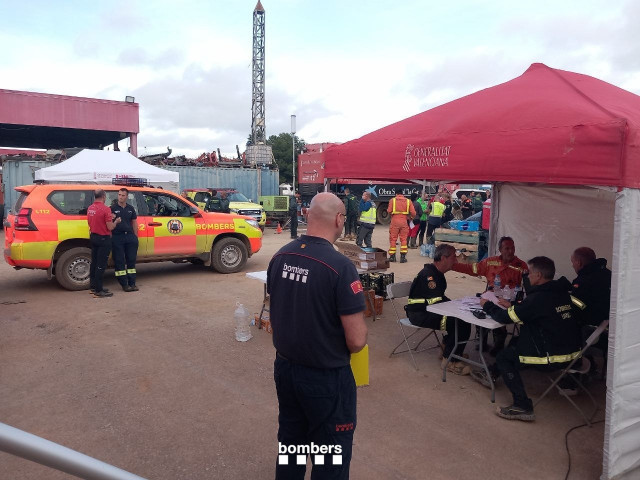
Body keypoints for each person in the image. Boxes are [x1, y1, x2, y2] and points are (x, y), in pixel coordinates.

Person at [267, 192, 368, 479]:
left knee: (292, 445)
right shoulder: (340, 267)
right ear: (339, 220)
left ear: (308, 216)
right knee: (329, 458)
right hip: (326, 379)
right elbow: (357, 340)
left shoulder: (281, 255)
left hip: (286, 369)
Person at [474, 256, 583, 422]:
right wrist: (515, 307)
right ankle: (491, 374)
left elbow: (504, 319)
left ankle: (522, 405)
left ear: (538, 275)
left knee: (504, 357)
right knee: (517, 341)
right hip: (573, 353)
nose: (528, 276)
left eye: (530, 273)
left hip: (553, 357)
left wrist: (486, 304)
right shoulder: (563, 293)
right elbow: (545, 315)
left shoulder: (537, 299)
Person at [452, 236, 528, 355]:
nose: (510, 251)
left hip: (508, 301)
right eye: (507, 248)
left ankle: (499, 343)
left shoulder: (521, 266)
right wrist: (453, 266)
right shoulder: (490, 261)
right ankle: (482, 340)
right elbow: (472, 268)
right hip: (490, 296)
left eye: (512, 248)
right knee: (478, 311)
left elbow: (528, 286)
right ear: (500, 249)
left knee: (499, 314)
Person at [406, 244, 472, 375]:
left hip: (428, 310)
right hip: (419, 314)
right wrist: (456, 308)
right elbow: (436, 302)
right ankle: (450, 361)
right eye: (453, 257)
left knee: (461, 317)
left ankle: (449, 350)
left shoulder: (436, 273)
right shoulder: (429, 276)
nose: (456, 261)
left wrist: (457, 304)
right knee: (460, 321)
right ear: (443, 258)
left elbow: (439, 299)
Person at [87, 189, 120, 298]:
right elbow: (110, 227)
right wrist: (116, 221)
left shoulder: (90, 208)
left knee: (94, 263)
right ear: (104, 196)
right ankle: (99, 290)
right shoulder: (106, 209)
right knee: (101, 265)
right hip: (103, 239)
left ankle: (93, 286)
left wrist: (109, 218)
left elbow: (92, 222)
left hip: (94, 237)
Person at [110, 188, 139, 292]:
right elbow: (108, 223)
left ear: (127, 197)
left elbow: (134, 222)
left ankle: (132, 283)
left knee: (131, 260)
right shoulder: (112, 208)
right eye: (119, 195)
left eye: (123, 195)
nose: (120, 197)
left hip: (130, 237)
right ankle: (124, 284)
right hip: (117, 237)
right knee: (119, 261)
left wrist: (135, 236)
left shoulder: (130, 208)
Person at [387, 192, 415, 263]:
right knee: (403, 239)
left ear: (396, 194)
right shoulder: (408, 201)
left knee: (393, 239)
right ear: (403, 194)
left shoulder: (392, 200)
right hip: (404, 221)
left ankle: (392, 257)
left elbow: (389, 211)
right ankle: (403, 257)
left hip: (394, 221)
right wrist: (410, 217)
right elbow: (413, 213)